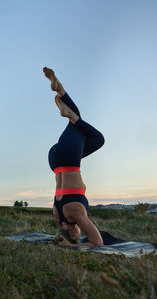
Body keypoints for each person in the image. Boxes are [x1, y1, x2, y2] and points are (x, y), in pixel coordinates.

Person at [43, 67, 105, 247]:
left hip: (67, 159)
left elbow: (97, 243)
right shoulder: (58, 215)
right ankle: (61, 92)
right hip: (54, 160)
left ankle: (62, 96)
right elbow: (66, 232)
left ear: (73, 234)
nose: (81, 232)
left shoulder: (75, 214)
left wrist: (72, 246)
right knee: (95, 140)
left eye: (79, 234)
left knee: (81, 124)